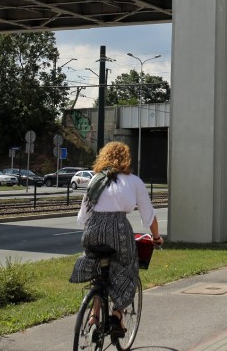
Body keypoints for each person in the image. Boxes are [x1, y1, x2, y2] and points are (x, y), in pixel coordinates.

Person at [69, 141, 163, 335]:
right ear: (126, 159)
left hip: (92, 230)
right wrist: (156, 237)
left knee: (99, 270)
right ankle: (116, 314)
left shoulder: (95, 179)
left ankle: (94, 316)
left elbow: (82, 217)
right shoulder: (134, 181)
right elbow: (149, 215)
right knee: (129, 267)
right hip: (119, 231)